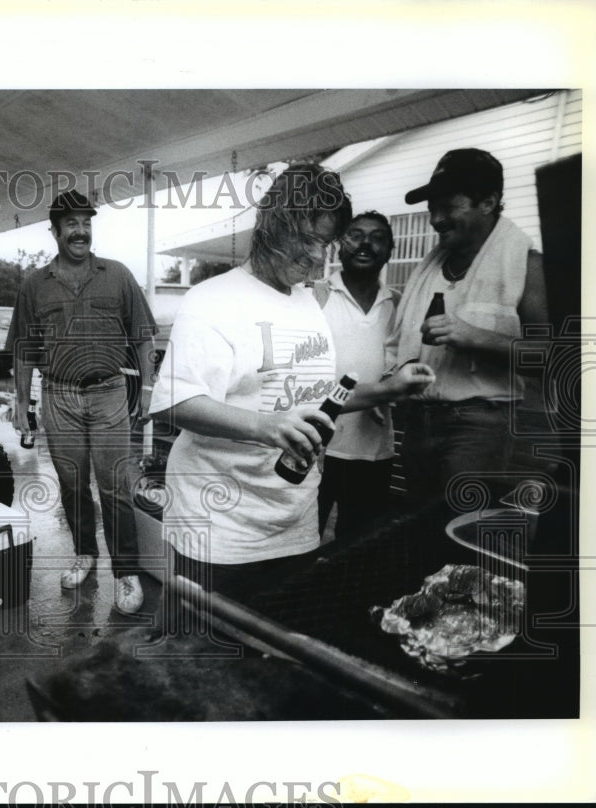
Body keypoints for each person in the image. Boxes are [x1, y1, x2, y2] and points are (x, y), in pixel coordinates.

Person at [148, 164, 435, 603]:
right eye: (306, 240)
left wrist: (392, 389)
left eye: (325, 244)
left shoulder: (306, 303)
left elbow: (319, 399)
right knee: (204, 655)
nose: (318, 258)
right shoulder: (212, 300)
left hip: (294, 521)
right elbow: (175, 403)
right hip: (220, 525)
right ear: (270, 224)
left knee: (271, 654)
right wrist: (269, 427)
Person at [6, 190, 157, 615]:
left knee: (117, 488)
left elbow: (143, 336)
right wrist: (22, 403)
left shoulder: (119, 275)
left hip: (109, 393)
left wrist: (146, 390)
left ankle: (125, 571)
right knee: (72, 483)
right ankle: (85, 553)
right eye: (71, 223)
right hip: (58, 395)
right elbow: (23, 350)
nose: (81, 230)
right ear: (54, 231)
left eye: (86, 222)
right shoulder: (34, 285)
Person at [386, 148, 549, 510]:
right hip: (419, 419)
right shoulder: (427, 269)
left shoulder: (526, 264)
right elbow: (397, 346)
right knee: (414, 527)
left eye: (449, 206)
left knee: (457, 533)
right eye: (433, 209)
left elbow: (550, 357)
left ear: (488, 202)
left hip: (478, 425)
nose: (436, 220)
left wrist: (475, 336)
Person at [313, 211, 401, 542]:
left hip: (374, 449)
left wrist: (387, 392)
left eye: (377, 237)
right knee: (301, 545)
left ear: (390, 249)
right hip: (318, 446)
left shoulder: (399, 305)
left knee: (356, 550)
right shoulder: (316, 296)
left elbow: (400, 368)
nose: (365, 243)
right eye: (355, 235)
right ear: (339, 246)